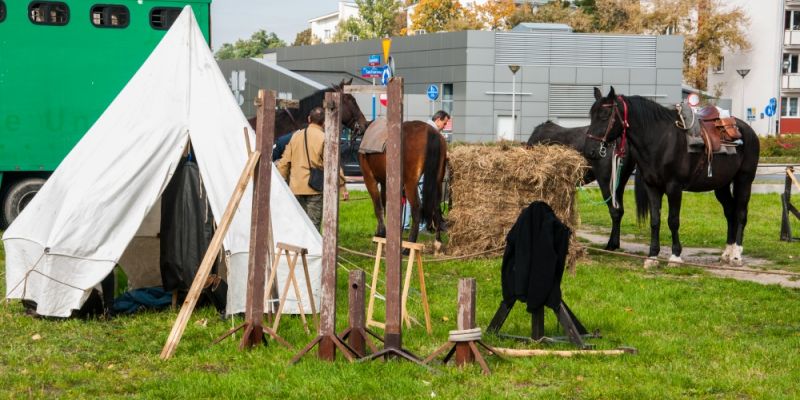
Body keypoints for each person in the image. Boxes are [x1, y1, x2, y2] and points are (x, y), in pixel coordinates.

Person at [277, 107, 348, 230]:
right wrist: (343, 188)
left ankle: (298, 248)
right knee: (313, 227)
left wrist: (280, 185)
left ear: (309, 119)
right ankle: (311, 249)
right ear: (324, 122)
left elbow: (284, 162)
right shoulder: (325, 138)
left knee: (297, 224)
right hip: (314, 188)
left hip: (296, 188)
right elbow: (333, 166)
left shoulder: (295, 136)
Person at [403, 110, 450, 230]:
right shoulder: (432, 134)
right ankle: (422, 224)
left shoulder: (424, 131)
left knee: (412, 192)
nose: (444, 127)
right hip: (425, 170)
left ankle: (410, 223)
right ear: (438, 119)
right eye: (444, 124)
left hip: (420, 169)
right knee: (417, 193)